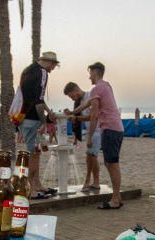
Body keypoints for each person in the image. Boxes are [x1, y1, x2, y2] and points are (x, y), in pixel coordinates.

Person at [19, 51, 60, 198]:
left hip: (24, 116)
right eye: (54, 65)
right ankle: (31, 189)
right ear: (50, 63)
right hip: (33, 118)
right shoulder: (42, 73)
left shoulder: (28, 70)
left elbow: (37, 98)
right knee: (33, 155)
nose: (53, 68)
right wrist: (44, 121)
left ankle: (36, 185)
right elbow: (38, 99)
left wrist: (48, 112)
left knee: (35, 152)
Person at [85, 61, 124, 210]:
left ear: (95, 73)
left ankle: (115, 199)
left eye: (90, 74)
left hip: (109, 129)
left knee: (112, 164)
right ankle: (117, 197)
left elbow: (94, 114)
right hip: (117, 128)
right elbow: (88, 104)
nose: (89, 77)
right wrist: (74, 113)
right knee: (111, 163)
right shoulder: (106, 86)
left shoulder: (97, 88)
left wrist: (89, 137)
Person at [63, 81, 101, 193]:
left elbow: (94, 116)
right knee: (92, 156)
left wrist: (77, 118)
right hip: (90, 130)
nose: (72, 99)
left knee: (90, 156)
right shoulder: (79, 102)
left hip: (98, 129)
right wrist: (71, 113)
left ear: (76, 90)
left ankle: (88, 180)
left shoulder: (91, 96)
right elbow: (77, 115)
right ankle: (96, 182)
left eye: (72, 96)